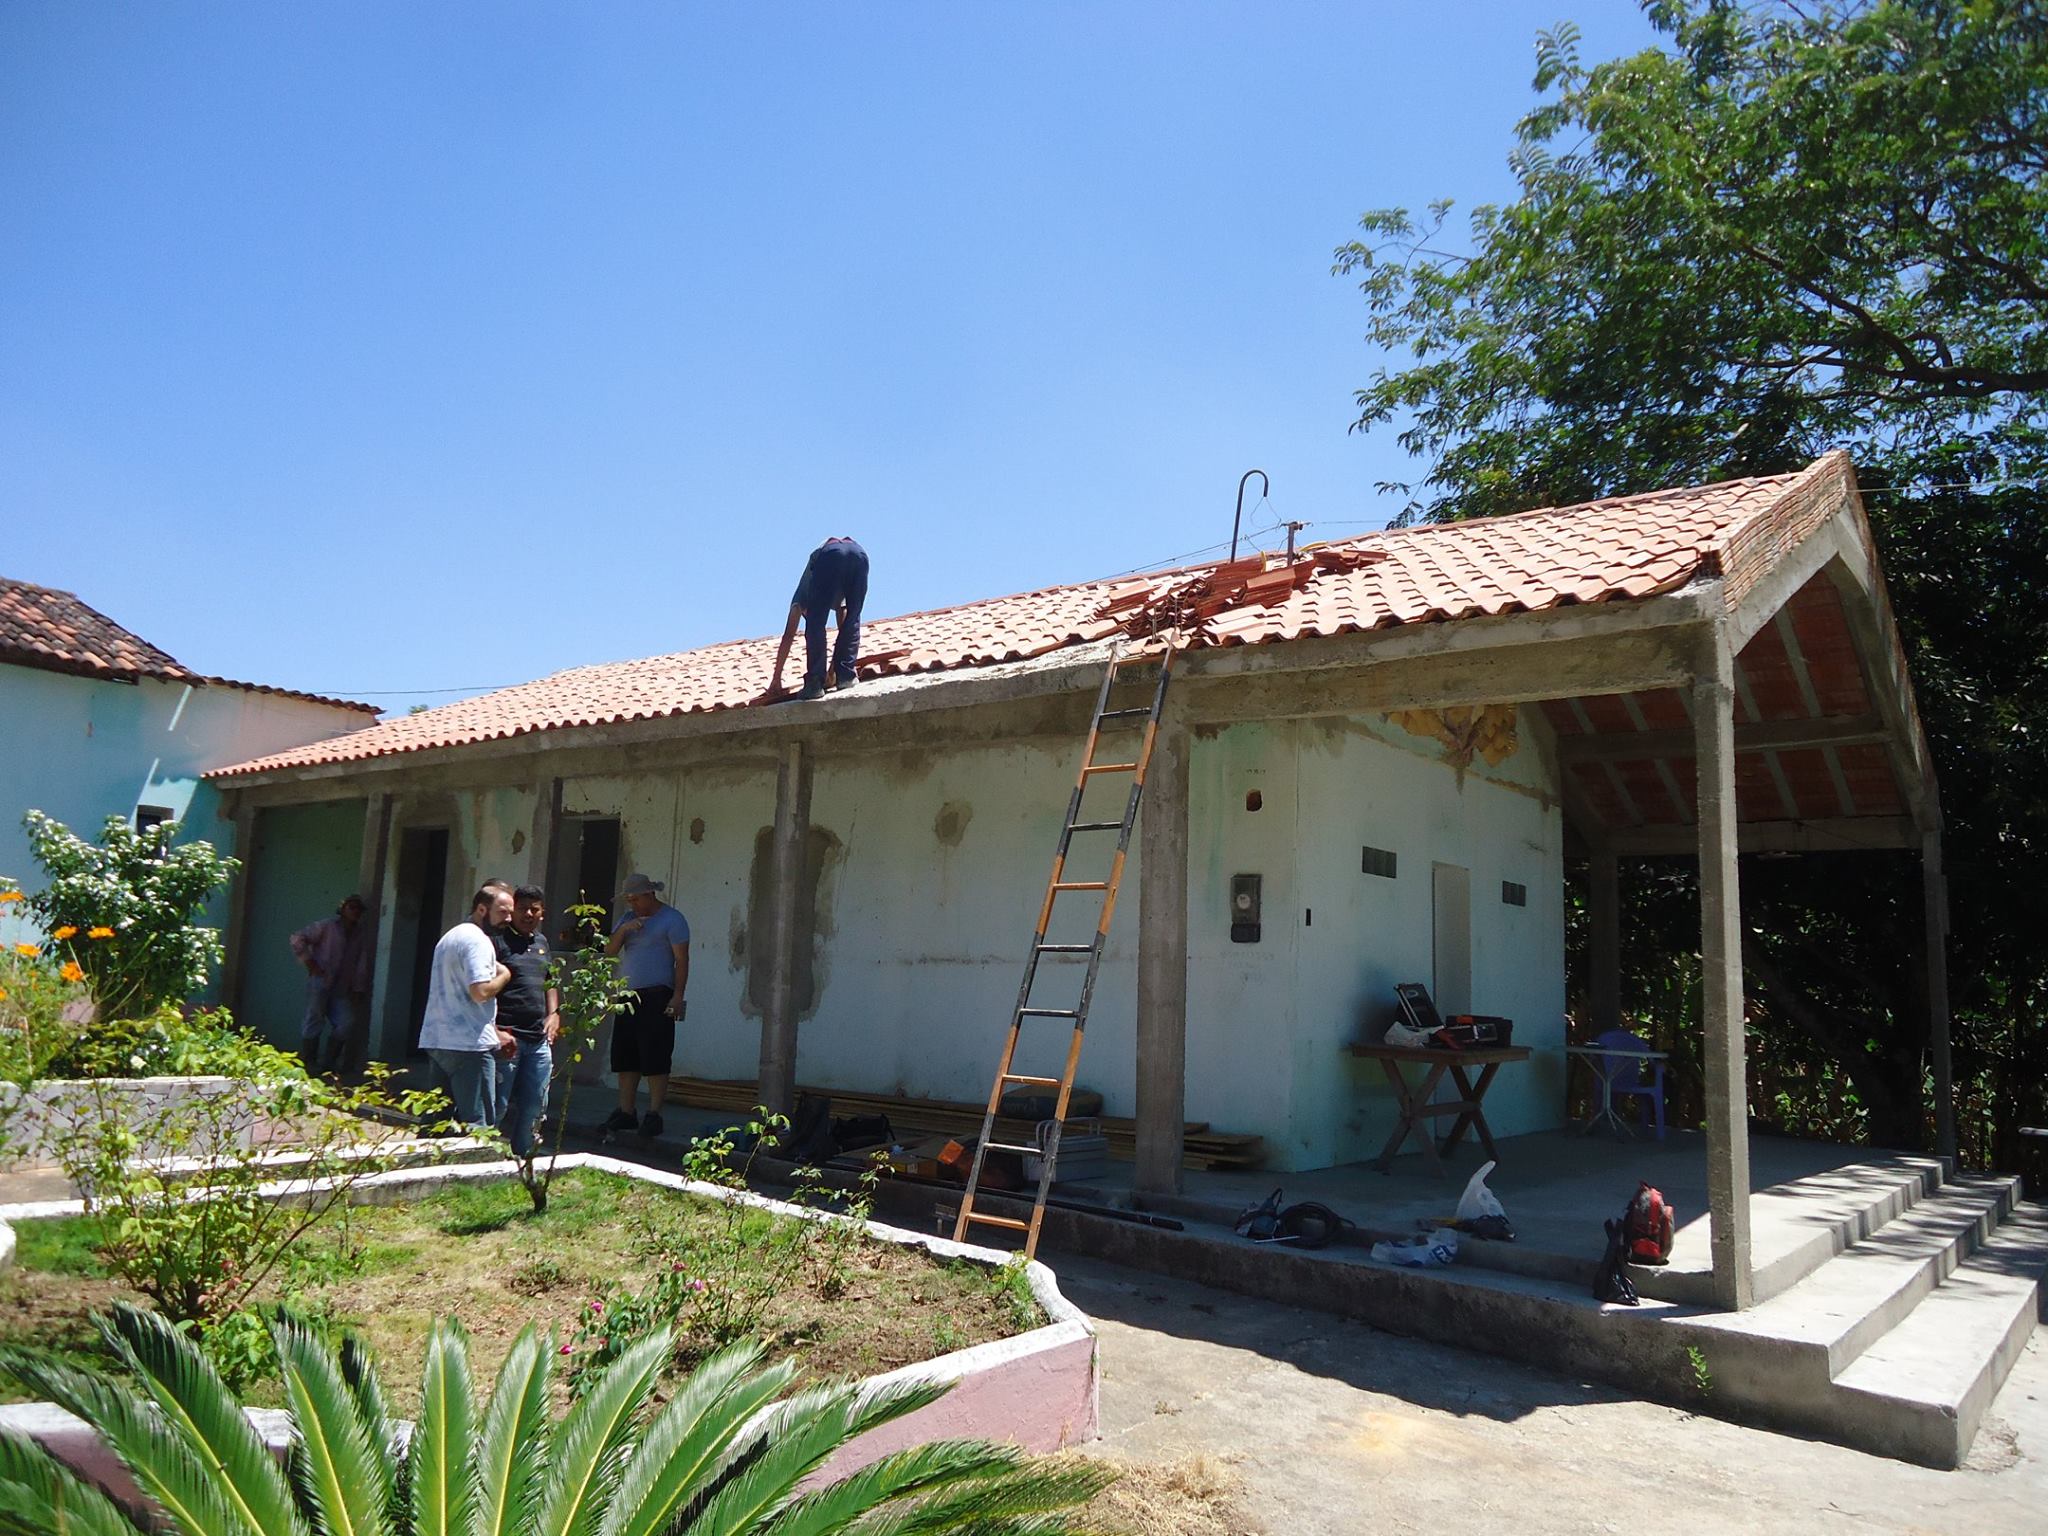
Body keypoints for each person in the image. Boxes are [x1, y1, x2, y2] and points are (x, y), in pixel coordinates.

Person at [419, 881, 517, 1129]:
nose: (508, 918)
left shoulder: (452, 936)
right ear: (482, 910)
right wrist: (505, 976)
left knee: (436, 1121)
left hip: (439, 1039)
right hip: (469, 1045)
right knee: (478, 1125)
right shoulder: (477, 942)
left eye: (510, 912)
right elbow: (480, 992)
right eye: (502, 912)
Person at [600, 873, 690, 1140]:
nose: (633, 904)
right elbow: (609, 952)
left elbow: (682, 960)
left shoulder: (672, 919)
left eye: (636, 898)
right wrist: (624, 930)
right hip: (628, 995)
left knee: (655, 1054)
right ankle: (626, 1111)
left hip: (657, 994)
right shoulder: (626, 920)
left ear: (650, 894)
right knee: (625, 1055)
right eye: (629, 900)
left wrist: (678, 996)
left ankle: (653, 1113)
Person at [495, 884, 560, 1155]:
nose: (528, 914)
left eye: (534, 909)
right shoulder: (497, 942)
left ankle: (524, 1157)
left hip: (538, 1040)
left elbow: (551, 981)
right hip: (507, 1036)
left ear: (542, 913)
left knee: (535, 1104)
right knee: (497, 1103)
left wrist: (554, 1013)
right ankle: (480, 1155)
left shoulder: (542, 943)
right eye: (523, 908)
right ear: (513, 911)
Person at [769, 536, 869, 700]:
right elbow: (845, 625)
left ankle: (814, 684)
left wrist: (776, 677)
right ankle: (847, 677)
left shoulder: (800, 597)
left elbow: (788, 636)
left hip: (831, 554)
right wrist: (834, 671)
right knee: (854, 617)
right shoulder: (837, 593)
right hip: (859, 553)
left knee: (816, 623)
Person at [288, 894, 371, 1074]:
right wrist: (309, 962)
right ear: (342, 909)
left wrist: (358, 988)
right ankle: (309, 1062)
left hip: (341, 988)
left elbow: (360, 964)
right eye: (352, 907)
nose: (355, 912)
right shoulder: (326, 927)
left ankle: (329, 1063)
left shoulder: (359, 934)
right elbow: (297, 938)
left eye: (359, 909)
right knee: (314, 1018)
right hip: (320, 981)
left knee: (346, 1022)